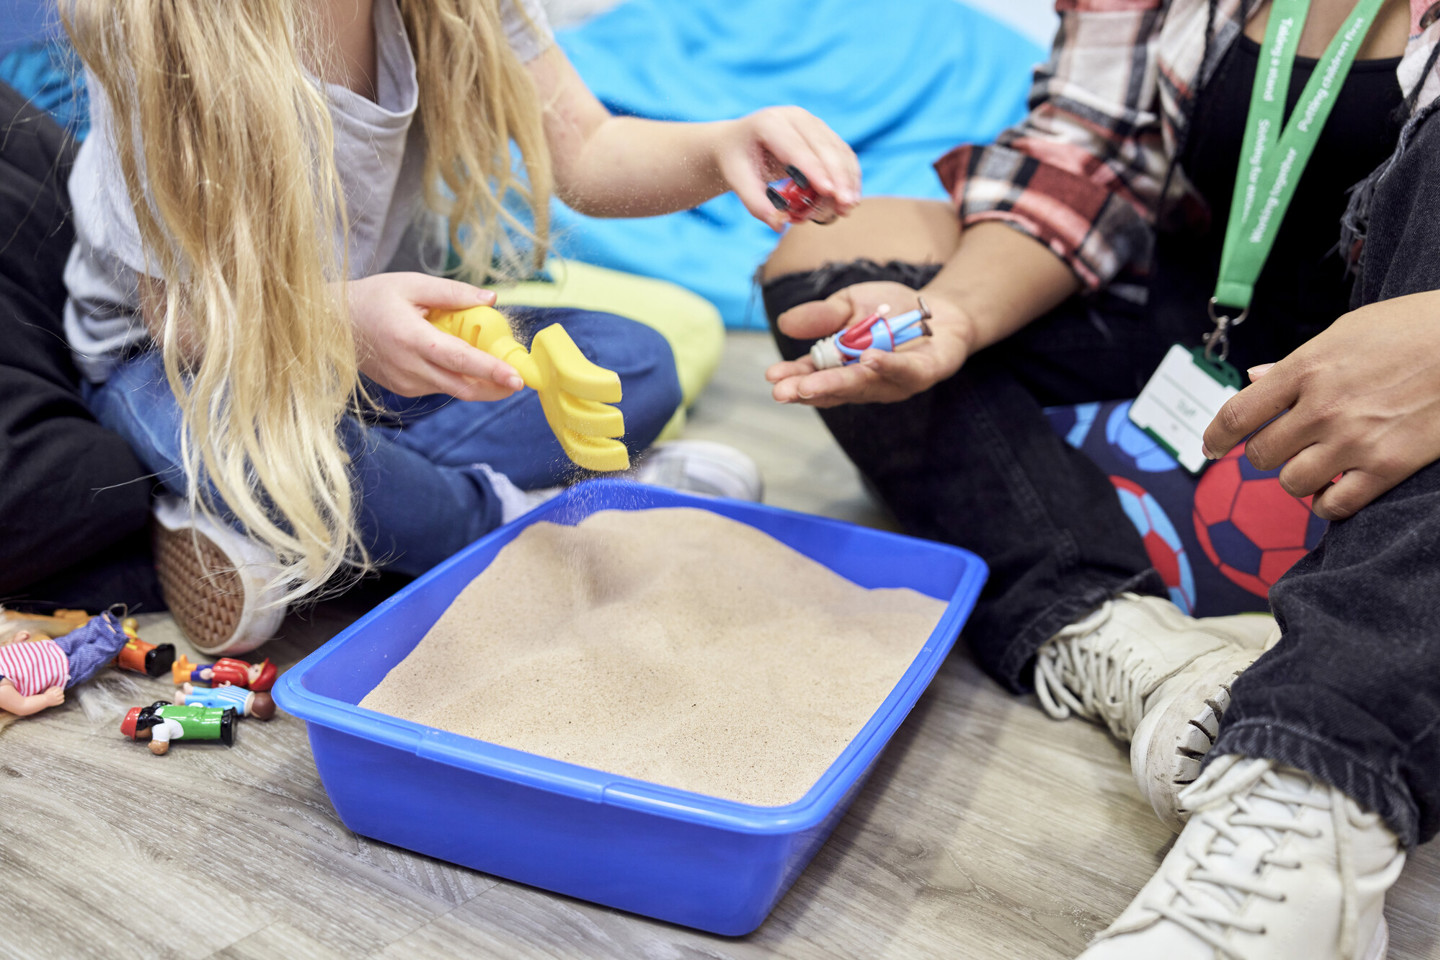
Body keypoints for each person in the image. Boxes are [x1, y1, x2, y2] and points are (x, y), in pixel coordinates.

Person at [759, 0, 1438, 955]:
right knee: (827, 257)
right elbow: (1082, 159)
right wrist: (946, 316)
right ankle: (1126, 638)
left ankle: (1318, 782)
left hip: (1418, 420)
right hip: (1207, 363)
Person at [59, 0, 862, 657]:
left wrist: (722, 146)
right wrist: (339, 320)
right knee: (296, 464)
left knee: (633, 363)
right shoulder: (156, 25)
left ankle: (314, 534)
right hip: (180, 361)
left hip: (363, 346)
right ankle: (517, 524)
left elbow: (587, 148)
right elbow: (183, 317)